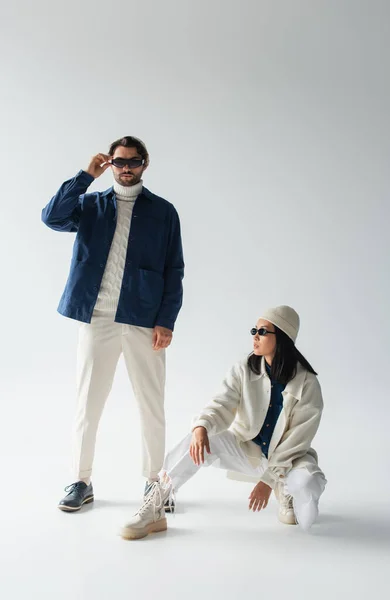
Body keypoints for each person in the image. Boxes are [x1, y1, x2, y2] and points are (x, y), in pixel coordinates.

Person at [42, 136, 184, 511]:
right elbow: (52, 217)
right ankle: (80, 481)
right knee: (87, 403)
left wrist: (166, 320)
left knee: (151, 404)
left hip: (143, 320)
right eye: (118, 162)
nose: (125, 168)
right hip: (96, 318)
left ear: (145, 164)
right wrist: (85, 176)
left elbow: (175, 268)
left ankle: (156, 482)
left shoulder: (163, 212)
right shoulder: (90, 205)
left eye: (133, 162)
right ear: (110, 164)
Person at [120, 305, 327, 540]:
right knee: (196, 440)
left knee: (308, 481)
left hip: (289, 459)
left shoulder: (307, 383)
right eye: (254, 330)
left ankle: (287, 490)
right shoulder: (243, 370)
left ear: (282, 337)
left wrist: (269, 481)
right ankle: (157, 504)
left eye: (262, 331)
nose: (255, 337)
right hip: (249, 451)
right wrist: (202, 427)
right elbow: (221, 404)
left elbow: (297, 439)